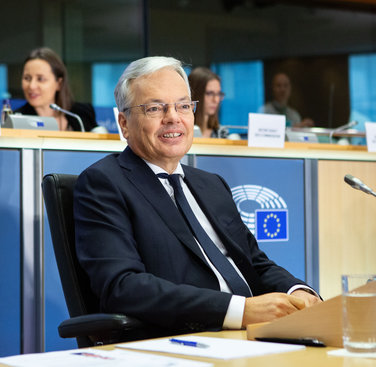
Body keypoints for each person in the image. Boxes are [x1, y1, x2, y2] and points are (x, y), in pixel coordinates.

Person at [74, 56, 321, 334]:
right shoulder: (104, 184)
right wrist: (240, 311)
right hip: (183, 339)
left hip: (253, 335)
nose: (173, 118)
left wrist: (298, 292)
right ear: (124, 123)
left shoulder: (212, 185)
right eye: (155, 108)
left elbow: (255, 263)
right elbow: (123, 287)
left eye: (182, 106)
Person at [15, 47, 98, 132]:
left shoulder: (81, 113)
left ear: (59, 83)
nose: (32, 86)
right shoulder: (16, 119)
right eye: (27, 78)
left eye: (40, 79)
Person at [188, 67, 227, 138]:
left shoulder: (221, 133)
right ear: (195, 94)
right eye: (209, 93)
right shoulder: (181, 132)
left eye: (218, 94)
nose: (216, 100)